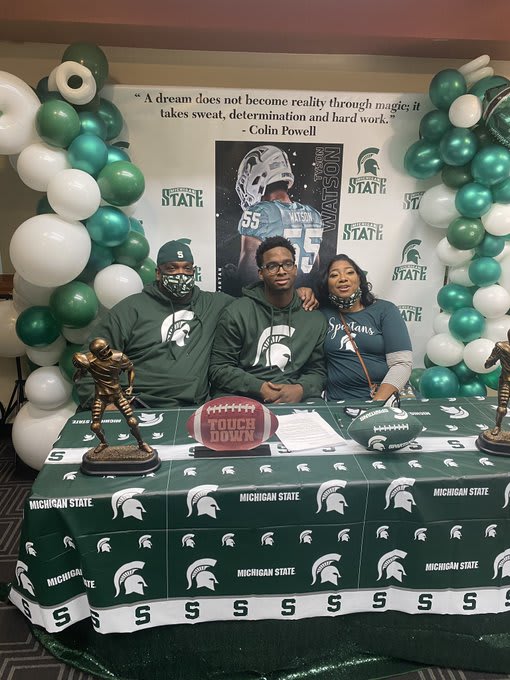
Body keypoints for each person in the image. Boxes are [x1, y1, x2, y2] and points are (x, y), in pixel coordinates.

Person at [75, 240, 233, 409]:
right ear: (158, 273)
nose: (181, 274)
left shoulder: (213, 304)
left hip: (190, 408)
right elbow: (89, 360)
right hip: (136, 404)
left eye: (187, 268)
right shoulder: (131, 308)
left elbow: (253, 305)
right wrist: (103, 401)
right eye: (172, 268)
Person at [209, 236, 327, 403]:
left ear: (295, 269)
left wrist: (300, 390)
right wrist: (259, 388)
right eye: (272, 266)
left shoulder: (314, 318)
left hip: (293, 399)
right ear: (261, 273)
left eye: (287, 264)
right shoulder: (237, 312)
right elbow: (219, 369)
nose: (281, 271)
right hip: (242, 397)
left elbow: (318, 372)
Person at [319, 254, 412, 402]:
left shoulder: (385, 310)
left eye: (349, 272)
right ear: (327, 284)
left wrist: (377, 403)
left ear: (360, 278)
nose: (343, 278)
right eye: (334, 275)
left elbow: (401, 363)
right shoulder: (322, 314)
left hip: (382, 399)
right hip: (337, 402)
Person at [236, 145, 323, 290]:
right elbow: (314, 270)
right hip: (303, 300)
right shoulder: (314, 214)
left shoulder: (260, 212)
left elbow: (247, 278)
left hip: (271, 301)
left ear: (258, 175)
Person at [72, 338, 152, 453]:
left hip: (117, 394)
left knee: (132, 421)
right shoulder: (89, 360)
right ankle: (103, 443)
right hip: (100, 396)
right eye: (102, 352)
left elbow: (131, 369)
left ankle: (141, 443)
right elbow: (77, 379)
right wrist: (80, 368)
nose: (107, 353)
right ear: (95, 354)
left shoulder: (119, 356)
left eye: (107, 349)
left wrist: (130, 386)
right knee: (95, 426)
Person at [484, 329, 510, 435]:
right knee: (502, 409)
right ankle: (497, 426)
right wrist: (493, 357)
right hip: (506, 381)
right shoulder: (501, 347)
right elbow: (487, 365)